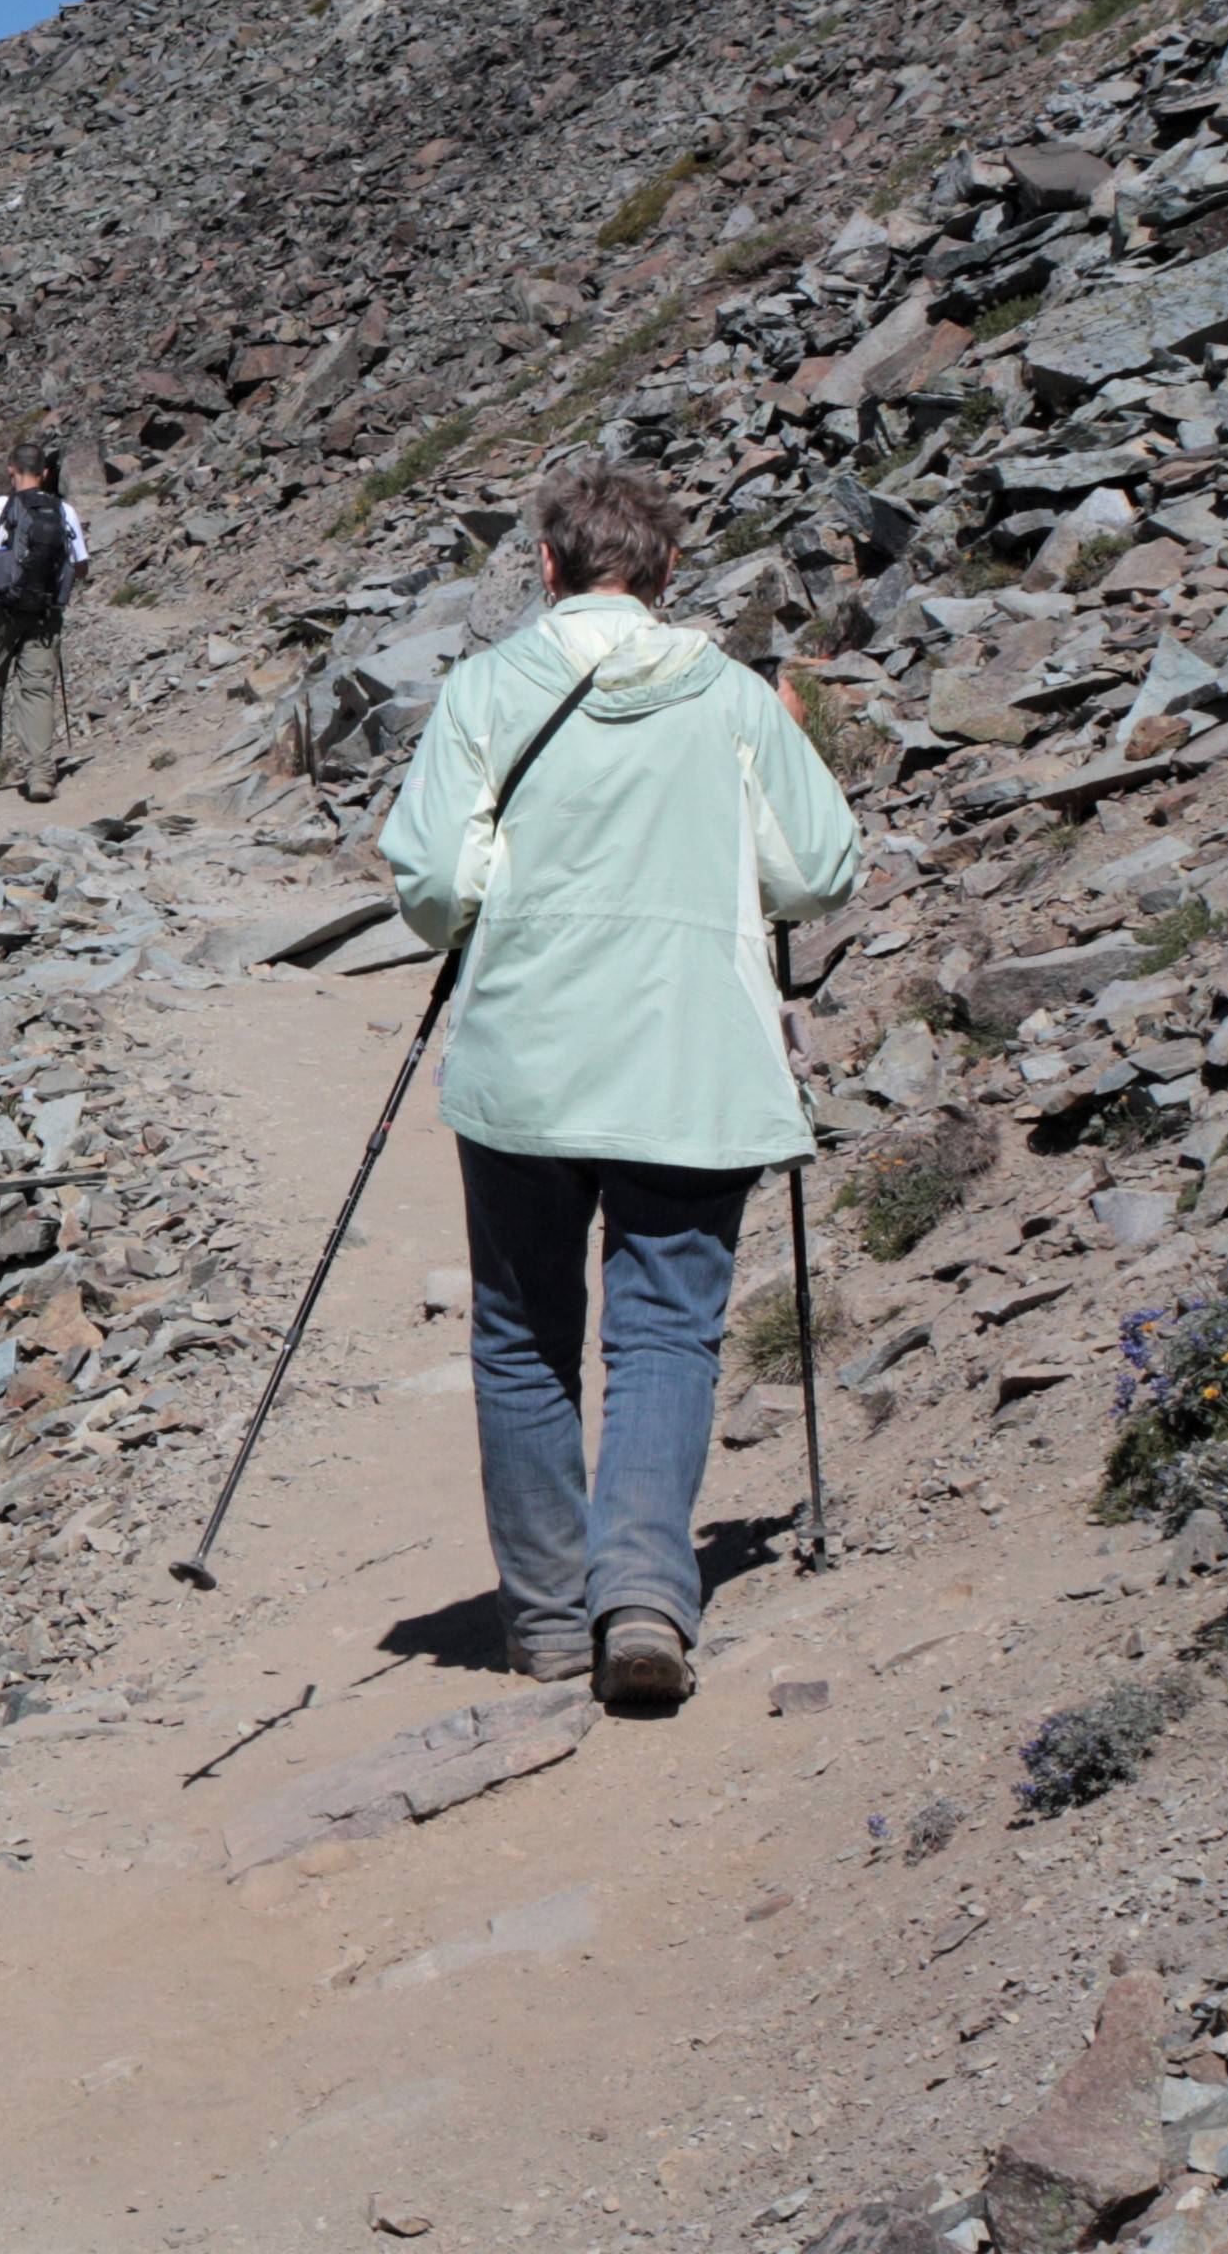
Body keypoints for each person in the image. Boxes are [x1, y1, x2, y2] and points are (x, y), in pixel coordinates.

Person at [378, 457, 859, 1710]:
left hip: (527, 1064)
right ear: (666, 573)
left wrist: (506, 905)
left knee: (525, 1336)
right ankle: (641, 1595)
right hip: (690, 1064)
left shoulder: (485, 689)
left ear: (544, 564)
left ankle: (544, 1619)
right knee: (665, 1327)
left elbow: (432, 885)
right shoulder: (737, 700)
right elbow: (816, 872)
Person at [0, 440, 85, 799]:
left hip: (1, 610)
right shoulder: (63, 511)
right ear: (45, 473)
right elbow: (80, 564)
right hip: (44, 615)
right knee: (37, 691)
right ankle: (40, 776)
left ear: (10, 470)